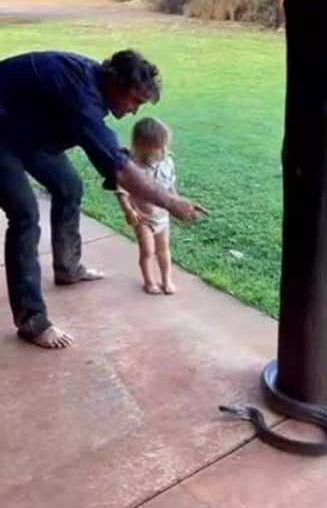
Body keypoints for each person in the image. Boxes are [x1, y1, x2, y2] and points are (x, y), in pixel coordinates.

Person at [0, 49, 207, 349]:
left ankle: (68, 267)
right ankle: (32, 321)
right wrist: (172, 202)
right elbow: (119, 167)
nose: (135, 110)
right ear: (115, 84)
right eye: (135, 100)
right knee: (25, 216)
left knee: (69, 187)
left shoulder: (92, 82)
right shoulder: (83, 96)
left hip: (24, 130)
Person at [115, 117, 180, 295]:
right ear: (143, 146)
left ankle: (167, 280)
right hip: (143, 218)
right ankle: (149, 282)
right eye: (160, 147)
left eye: (166, 145)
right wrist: (128, 210)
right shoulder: (132, 168)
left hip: (162, 217)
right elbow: (122, 191)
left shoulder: (167, 163)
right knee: (148, 251)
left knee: (164, 250)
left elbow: (171, 188)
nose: (165, 151)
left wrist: (176, 204)